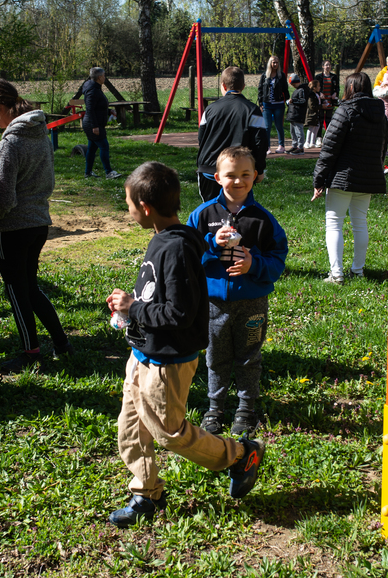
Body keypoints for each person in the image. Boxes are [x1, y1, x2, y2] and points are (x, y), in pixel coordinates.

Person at [106, 161, 265, 528]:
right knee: (131, 430)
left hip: (167, 361)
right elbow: (156, 294)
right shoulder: (162, 237)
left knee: (169, 432)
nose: (128, 210)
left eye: (129, 204)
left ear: (145, 207)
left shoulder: (176, 249)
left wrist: (136, 308)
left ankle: (240, 455)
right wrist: (130, 305)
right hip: (142, 353)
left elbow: (179, 312)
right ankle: (146, 493)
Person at [0, 78, 74, 372]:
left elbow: (2, 197)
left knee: (16, 290)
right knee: (30, 286)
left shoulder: (10, 142)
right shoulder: (39, 134)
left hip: (13, 227)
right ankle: (61, 343)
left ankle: (30, 351)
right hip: (38, 224)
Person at [187, 146, 288, 437]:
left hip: (251, 302)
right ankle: (214, 407)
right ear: (217, 177)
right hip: (213, 303)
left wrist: (253, 264)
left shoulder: (263, 219)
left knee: (248, 356)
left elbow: (278, 256)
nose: (238, 181)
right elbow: (186, 253)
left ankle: (246, 408)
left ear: (255, 176)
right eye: (231, 175)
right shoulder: (203, 215)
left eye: (245, 175)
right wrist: (210, 242)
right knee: (215, 356)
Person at [312, 72, 388, 284]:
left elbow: (329, 149)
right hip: (367, 177)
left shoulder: (344, 111)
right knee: (360, 223)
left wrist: (319, 179)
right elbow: (382, 148)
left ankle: (336, 274)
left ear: (351, 87)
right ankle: (358, 270)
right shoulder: (380, 113)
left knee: (334, 223)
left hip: (342, 178)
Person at [196, 66, 267, 202]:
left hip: (209, 169)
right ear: (244, 86)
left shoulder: (209, 109)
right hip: (238, 171)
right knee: (238, 211)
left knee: (210, 211)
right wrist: (260, 169)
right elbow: (260, 142)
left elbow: (201, 138)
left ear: (223, 85)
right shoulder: (252, 110)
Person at [82, 67, 121, 180]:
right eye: (104, 75)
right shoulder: (92, 90)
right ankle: (109, 172)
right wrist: (94, 126)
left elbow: (97, 106)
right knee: (104, 146)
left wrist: (109, 111)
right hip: (93, 124)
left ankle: (88, 173)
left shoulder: (95, 87)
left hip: (94, 123)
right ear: (99, 77)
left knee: (92, 149)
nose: (105, 77)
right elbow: (90, 109)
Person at [257, 56, 289, 154]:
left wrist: (287, 100)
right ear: (270, 63)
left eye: (277, 63)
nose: (275, 64)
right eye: (273, 62)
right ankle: (267, 147)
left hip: (279, 104)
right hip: (267, 104)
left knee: (279, 125)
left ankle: (281, 146)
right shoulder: (264, 76)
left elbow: (285, 89)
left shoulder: (281, 75)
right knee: (267, 126)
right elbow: (260, 90)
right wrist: (260, 103)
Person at [285, 73, 312, 155]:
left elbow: (303, 101)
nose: (293, 86)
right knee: (293, 131)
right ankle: (294, 145)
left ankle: (300, 147)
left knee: (298, 131)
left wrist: (293, 101)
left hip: (298, 114)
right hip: (293, 114)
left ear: (297, 82)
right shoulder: (298, 90)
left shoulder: (302, 90)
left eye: (293, 84)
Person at [305, 78, 323, 149]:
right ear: (314, 87)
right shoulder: (311, 95)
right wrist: (321, 106)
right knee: (311, 128)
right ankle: (307, 142)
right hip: (311, 114)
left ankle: (312, 142)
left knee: (316, 127)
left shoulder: (317, 94)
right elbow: (312, 106)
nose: (320, 87)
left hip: (316, 114)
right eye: (318, 86)